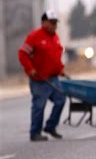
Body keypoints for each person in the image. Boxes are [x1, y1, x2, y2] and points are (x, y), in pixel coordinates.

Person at [18, 10, 67, 142]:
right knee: (39, 106)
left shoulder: (55, 37)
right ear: (44, 22)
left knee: (61, 100)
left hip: (53, 78)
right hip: (39, 79)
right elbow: (23, 54)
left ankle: (50, 126)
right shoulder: (34, 36)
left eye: (55, 23)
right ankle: (35, 133)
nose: (54, 25)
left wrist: (60, 69)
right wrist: (30, 68)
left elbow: (55, 56)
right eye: (52, 22)